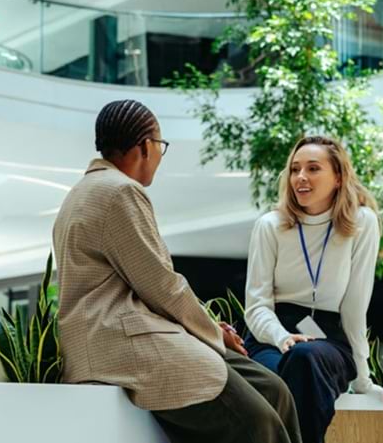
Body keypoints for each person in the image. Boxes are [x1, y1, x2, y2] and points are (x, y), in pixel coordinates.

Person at [53, 99, 302, 443]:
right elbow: (162, 287)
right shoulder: (120, 191)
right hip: (125, 345)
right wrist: (216, 335)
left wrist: (211, 329)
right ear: (145, 146)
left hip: (124, 339)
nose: (159, 156)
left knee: (276, 391)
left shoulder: (80, 193)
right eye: (160, 146)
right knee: (257, 424)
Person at [244, 135, 383, 443]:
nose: (301, 177)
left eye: (313, 168)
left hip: (327, 338)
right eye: (295, 169)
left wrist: (363, 377)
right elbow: (256, 306)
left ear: (338, 177)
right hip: (271, 335)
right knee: (281, 375)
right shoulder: (270, 225)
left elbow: (354, 305)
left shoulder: (361, 223)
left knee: (305, 358)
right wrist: (282, 337)